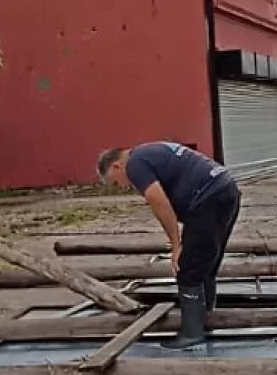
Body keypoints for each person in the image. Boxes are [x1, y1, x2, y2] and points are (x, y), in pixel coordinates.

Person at [98, 142, 241, 350]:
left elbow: (159, 201)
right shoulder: (149, 152)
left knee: (187, 268)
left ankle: (193, 333)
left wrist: (176, 245)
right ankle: (206, 320)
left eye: (116, 182)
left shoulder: (135, 164)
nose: (124, 186)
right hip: (225, 190)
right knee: (206, 265)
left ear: (116, 166)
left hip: (207, 199)